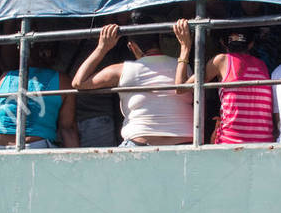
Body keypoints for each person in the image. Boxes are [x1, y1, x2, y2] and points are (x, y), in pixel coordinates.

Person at [72, 12, 193, 146]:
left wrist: (102, 47)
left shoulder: (122, 70)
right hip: (184, 143)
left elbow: (78, 82)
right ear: (159, 38)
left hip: (139, 144)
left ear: (131, 46)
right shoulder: (184, 66)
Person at [172, 20, 274, 144]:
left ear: (222, 43)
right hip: (265, 142)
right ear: (251, 44)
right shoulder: (262, 66)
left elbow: (180, 88)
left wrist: (185, 47)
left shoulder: (221, 60)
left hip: (230, 143)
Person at [0, 42, 79, 149]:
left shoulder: (5, 76)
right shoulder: (63, 81)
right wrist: (76, 162)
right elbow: (68, 128)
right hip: (33, 146)